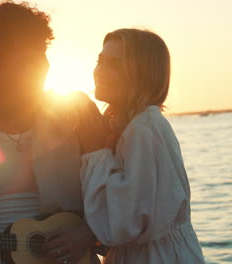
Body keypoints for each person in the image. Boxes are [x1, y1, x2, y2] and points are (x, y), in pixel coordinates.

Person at [0, 2, 102, 264]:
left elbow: (113, 189)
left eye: (42, 53)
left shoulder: (76, 112)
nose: (42, 66)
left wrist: (87, 231)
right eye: (27, 58)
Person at [46, 29, 205, 263]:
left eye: (114, 64)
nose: (99, 71)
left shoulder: (143, 129)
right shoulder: (129, 127)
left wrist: (95, 152)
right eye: (100, 61)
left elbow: (128, 218)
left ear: (141, 74)